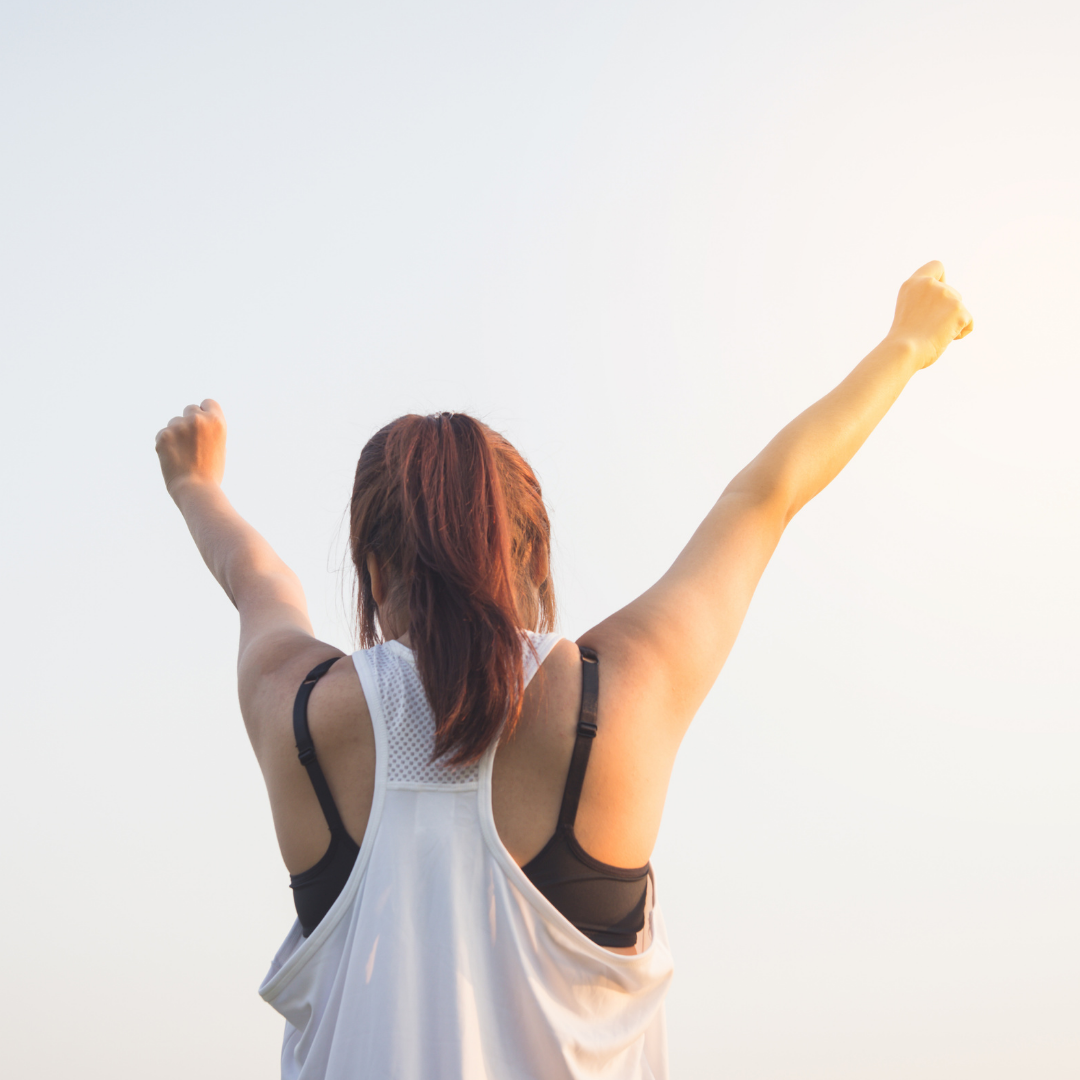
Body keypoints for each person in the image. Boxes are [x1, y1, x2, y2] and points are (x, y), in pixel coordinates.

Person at [155, 261, 972, 1079]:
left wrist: (196, 483)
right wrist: (906, 343)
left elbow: (258, 579)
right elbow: (763, 498)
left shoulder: (297, 713)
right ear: (536, 556)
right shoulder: (619, 697)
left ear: (370, 571)